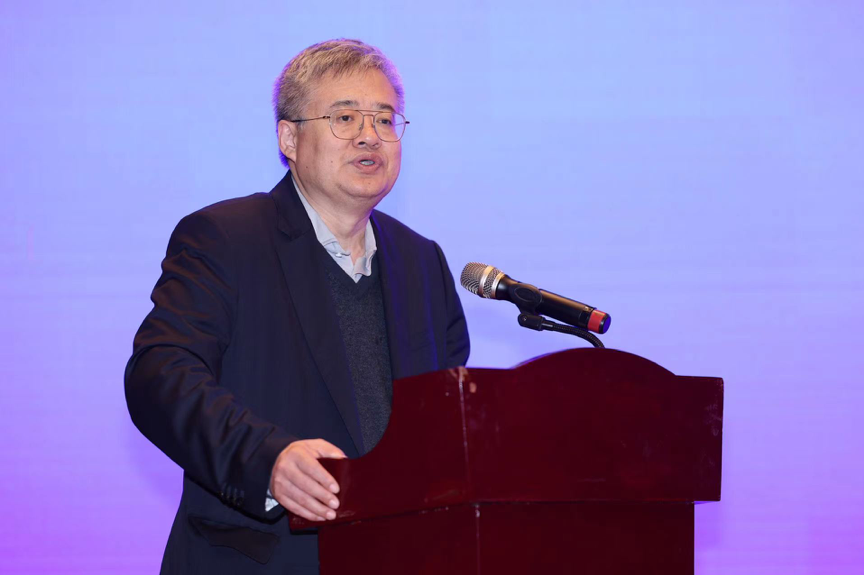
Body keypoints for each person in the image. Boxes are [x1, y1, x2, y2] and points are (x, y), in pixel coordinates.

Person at [124, 38, 470, 574]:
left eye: (384, 119)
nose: (369, 135)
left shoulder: (422, 261)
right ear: (289, 138)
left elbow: (447, 422)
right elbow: (160, 375)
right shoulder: (227, 239)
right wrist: (267, 461)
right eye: (344, 117)